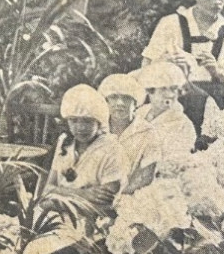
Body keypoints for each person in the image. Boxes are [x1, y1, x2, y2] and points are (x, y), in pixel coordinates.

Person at [40, 84, 126, 223]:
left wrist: (57, 198)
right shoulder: (65, 142)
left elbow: (105, 206)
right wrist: (84, 194)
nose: (80, 127)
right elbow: (47, 190)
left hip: (93, 223)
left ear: (99, 122)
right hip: (57, 217)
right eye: (73, 120)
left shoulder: (112, 149)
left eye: (87, 121)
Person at [135, 61, 203, 170]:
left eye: (173, 89)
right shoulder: (138, 114)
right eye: (163, 89)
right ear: (150, 91)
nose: (170, 95)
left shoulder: (183, 125)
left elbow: (173, 163)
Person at [99, 73, 159, 195]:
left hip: (130, 196)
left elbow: (146, 176)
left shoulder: (148, 132)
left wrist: (117, 197)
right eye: (114, 97)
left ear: (136, 103)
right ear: (107, 101)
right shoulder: (97, 128)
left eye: (126, 98)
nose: (120, 103)